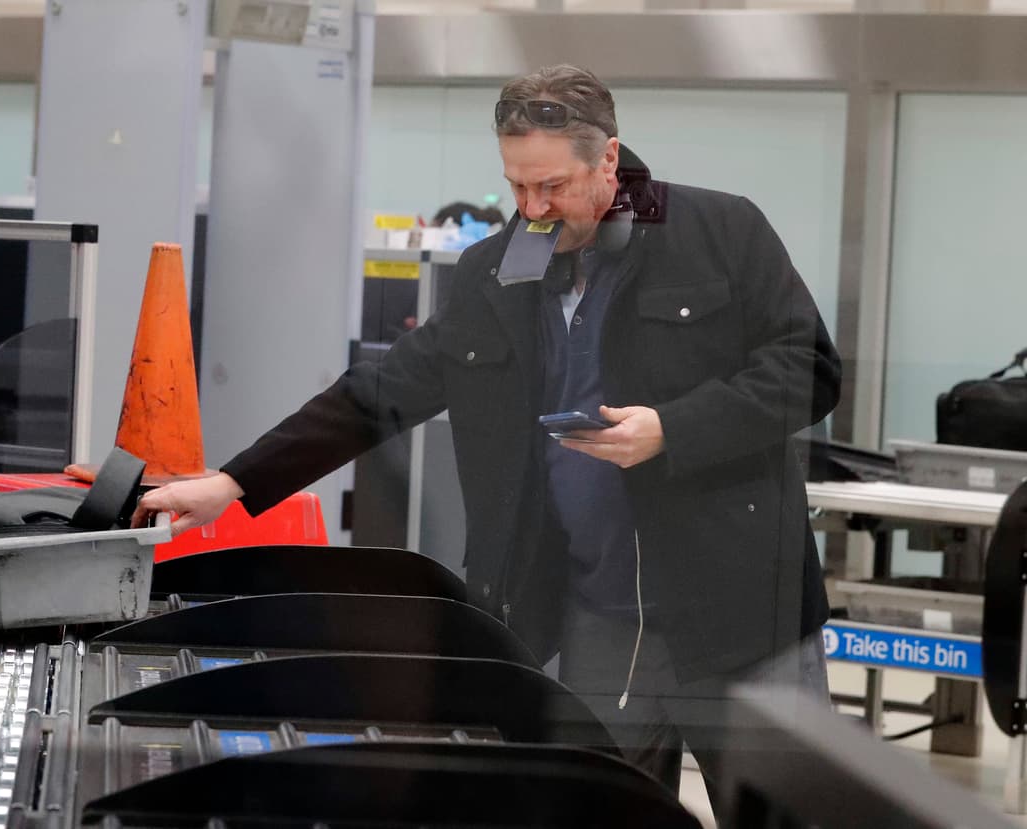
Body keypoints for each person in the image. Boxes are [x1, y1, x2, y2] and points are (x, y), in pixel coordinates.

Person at [132, 64, 841, 822]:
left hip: (739, 617)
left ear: (609, 159)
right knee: (601, 814)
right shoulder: (496, 272)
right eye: (517, 186)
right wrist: (234, 483)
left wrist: (673, 428)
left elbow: (809, 367)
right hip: (595, 616)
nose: (533, 209)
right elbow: (382, 391)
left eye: (553, 187)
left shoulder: (721, 231)